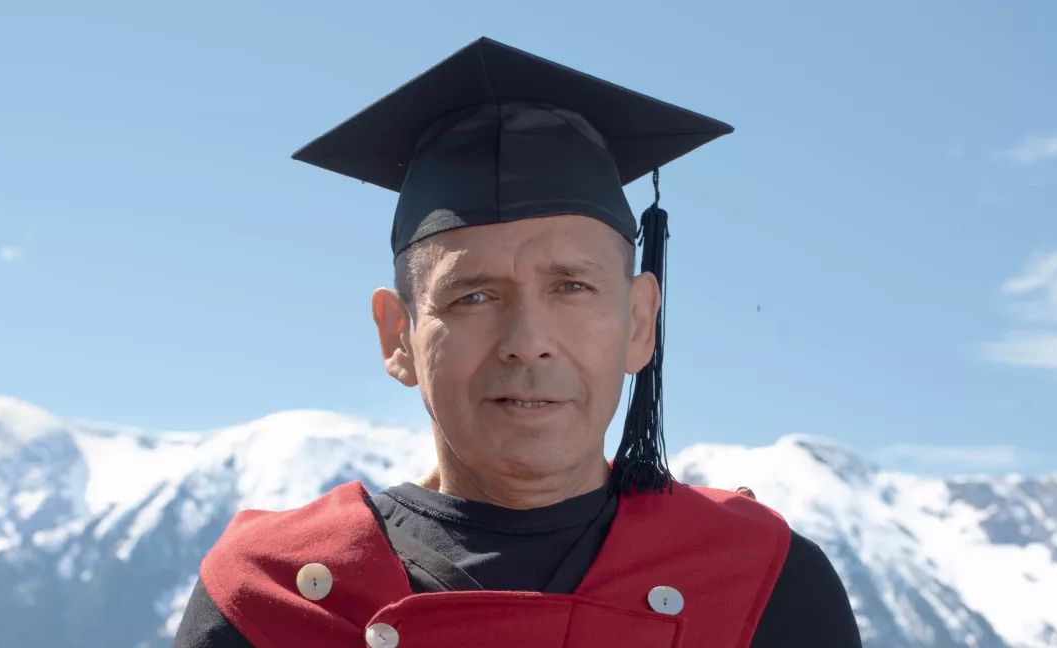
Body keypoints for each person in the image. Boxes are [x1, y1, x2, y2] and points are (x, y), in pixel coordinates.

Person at [172, 37, 861, 648]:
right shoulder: (267, 601)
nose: (528, 342)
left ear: (641, 321)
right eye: (474, 296)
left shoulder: (765, 583)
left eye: (572, 288)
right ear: (398, 335)